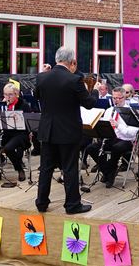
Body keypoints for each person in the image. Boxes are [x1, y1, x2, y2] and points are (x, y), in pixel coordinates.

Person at [34, 47, 99, 214]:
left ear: (56, 59)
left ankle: (41, 202)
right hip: (68, 131)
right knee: (69, 168)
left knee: (46, 168)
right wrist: (96, 91)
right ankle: (72, 205)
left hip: (47, 130)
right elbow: (88, 103)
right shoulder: (74, 79)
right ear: (71, 62)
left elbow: (36, 96)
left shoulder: (42, 77)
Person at [85, 87, 139, 188]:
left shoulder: (131, 112)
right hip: (111, 138)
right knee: (91, 148)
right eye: (114, 98)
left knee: (116, 148)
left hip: (126, 140)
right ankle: (108, 172)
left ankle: (109, 174)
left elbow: (132, 134)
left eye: (119, 98)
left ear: (125, 97)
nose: (116, 100)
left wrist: (118, 126)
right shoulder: (109, 110)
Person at [0, 83, 31, 183]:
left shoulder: (24, 105)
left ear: (16, 94)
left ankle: (19, 169)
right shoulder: (1, 105)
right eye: (5, 94)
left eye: (10, 94)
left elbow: (28, 125)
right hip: (5, 133)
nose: (7, 97)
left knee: (8, 148)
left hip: (20, 134)